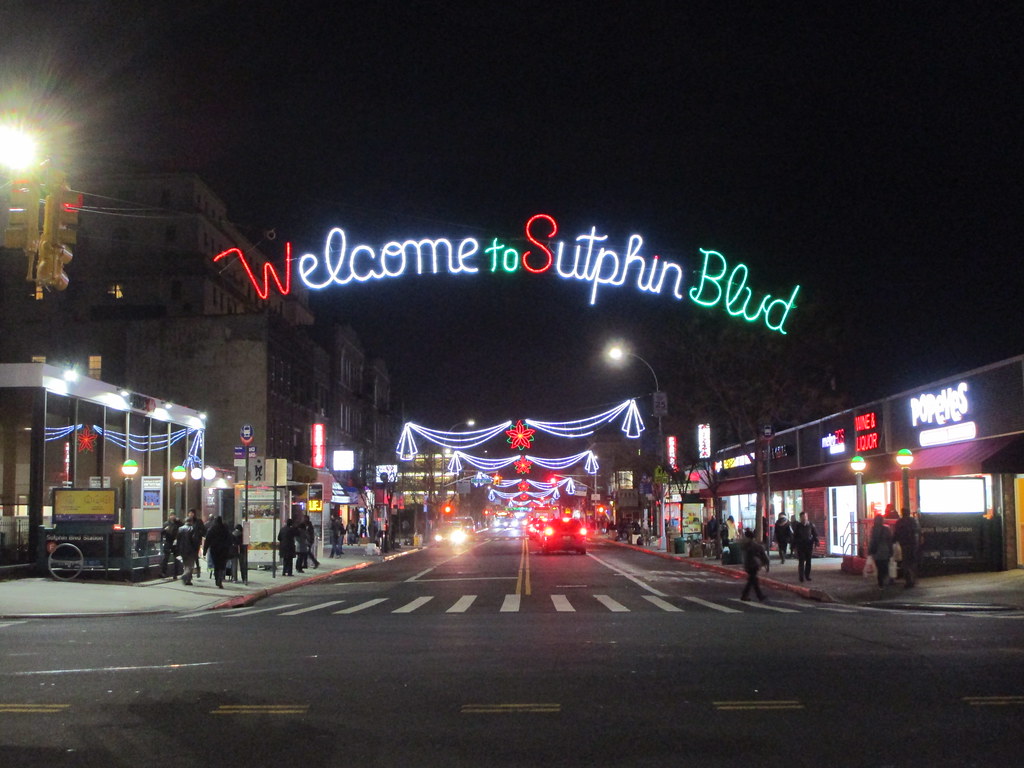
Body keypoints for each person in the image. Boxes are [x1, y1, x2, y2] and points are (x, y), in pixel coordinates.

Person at [892, 508, 922, 587]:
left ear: (902, 513)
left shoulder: (900, 522)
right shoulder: (913, 521)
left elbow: (896, 533)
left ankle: (908, 580)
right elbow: (918, 531)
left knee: (906, 562)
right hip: (913, 544)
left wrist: (893, 541)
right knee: (913, 562)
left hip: (904, 544)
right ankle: (913, 579)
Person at [740, 529, 770, 601]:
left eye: (745, 536)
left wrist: (766, 563)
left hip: (750, 565)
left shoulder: (748, 545)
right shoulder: (751, 545)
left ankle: (755, 595)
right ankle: (757, 596)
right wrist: (766, 564)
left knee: (752, 581)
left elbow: (763, 555)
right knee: (752, 581)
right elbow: (763, 556)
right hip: (752, 565)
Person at [203, 515, 232, 588]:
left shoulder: (212, 529)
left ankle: (217, 578)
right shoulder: (225, 529)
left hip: (214, 549)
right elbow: (229, 539)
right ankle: (220, 578)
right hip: (224, 549)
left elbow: (207, 540)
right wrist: (229, 548)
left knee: (216, 565)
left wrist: (204, 551)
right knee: (222, 565)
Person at [175, 512, 203, 586]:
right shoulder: (193, 529)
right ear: (191, 522)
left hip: (182, 550)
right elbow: (195, 540)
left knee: (185, 565)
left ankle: (188, 580)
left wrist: (178, 549)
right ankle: (185, 575)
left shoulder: (180, 529)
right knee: (190, 566)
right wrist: (196, 549)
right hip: (191, 550)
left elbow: (178, 540)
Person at [868, 514, 894, 588]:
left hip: (877, 551)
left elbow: (872, 541)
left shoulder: (873, 529)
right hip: (885, 550)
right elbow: (890, 540)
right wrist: (891, 550)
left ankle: (881, 583)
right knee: (885, 566)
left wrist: (870, 551)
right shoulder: (886, 529)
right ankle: (886, 579)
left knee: (879, 567)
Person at [791, 511, 818, 582]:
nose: (804, 518)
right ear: (800, 518)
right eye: (803, 517)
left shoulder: (811, 525)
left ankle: (807, 575)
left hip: (809, 545)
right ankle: (801, 576)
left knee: (808, 561)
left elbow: (815, 534)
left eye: (805, 517)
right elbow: (795, 536)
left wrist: (816, 542)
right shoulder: (798, 526)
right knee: (801, 561)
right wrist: (793, 546)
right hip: (801, 546)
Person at [160, 513, 180, 578]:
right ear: (169, 516)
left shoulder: (177, 523)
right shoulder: (166, 523)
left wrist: (178, 521)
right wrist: (165, 530)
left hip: (175, 542)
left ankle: (175, 573)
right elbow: (162, 533)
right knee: (166, 557)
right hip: (168, 541)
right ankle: (163, 572)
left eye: (173, 515)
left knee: (176, 558)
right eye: (171, 515)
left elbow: (181, 527)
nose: (172, 517)